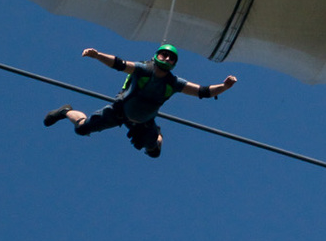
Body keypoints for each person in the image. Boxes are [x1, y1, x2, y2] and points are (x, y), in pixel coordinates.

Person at [44, 43, 237, 159]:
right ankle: (65, 111)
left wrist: (225, 86)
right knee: (82, 128)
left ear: (174, 63)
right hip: (120, 111)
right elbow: (120, 64)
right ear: (156, 56)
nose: (166, 58)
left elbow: (203, 92)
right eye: (164, 55)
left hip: (143, 122)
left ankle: (157, 136)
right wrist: (97, 55)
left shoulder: (174, 83)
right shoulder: (144, 69)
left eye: (171, 57)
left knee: (153, 151)